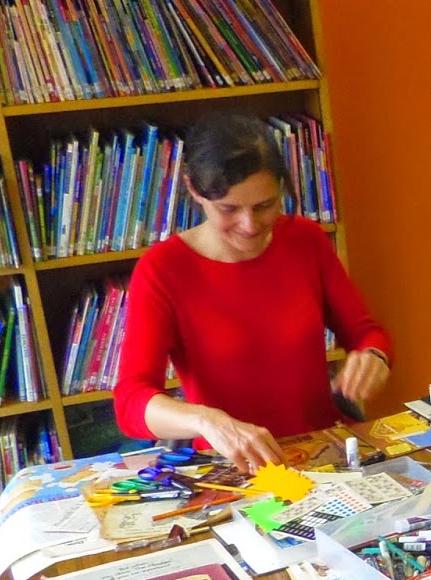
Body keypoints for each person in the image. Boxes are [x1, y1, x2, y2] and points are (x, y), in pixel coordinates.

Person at [115, 112, 392, 472]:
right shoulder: (163, 269)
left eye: (265, 206)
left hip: (323, 453)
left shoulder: (305, 241)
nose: (249, 225)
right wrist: (206, 421)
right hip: (236, 468)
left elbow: (367, 333)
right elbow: (131, 401)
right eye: (228, 209)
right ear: (194, 190)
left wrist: (375, 357)